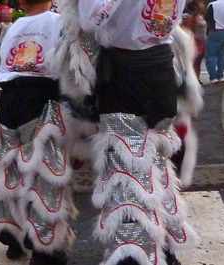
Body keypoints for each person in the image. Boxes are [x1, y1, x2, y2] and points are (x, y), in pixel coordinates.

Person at [54, 0, 205, 261]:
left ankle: (134, 254)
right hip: (161, 69)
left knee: (127, 168)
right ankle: (165, 245)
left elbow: (90, 20)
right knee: (155, 162)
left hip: (125, 73)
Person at [0, 0, 72, 262]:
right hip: (42, 100)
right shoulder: (58, 21)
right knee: (45, 173)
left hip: (9, 101)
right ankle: (46, 248)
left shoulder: (15, 26)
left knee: (9, 170)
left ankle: (12, 235)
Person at [205, 0, 224, 84]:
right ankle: (220, 76)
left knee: (211, 55)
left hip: (214, 31)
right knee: (222, 55)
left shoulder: (212, 4)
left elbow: (207, 18)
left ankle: (213, 77)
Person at [183, 0, 206, 81]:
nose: (203, 5)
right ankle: (191, 80)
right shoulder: (189, 17)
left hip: (201, 41)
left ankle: (196, 79)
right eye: (201, 4)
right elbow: (189, 30)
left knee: (197, 63)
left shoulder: (200, 16)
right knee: (193, 62)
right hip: (195, 41)